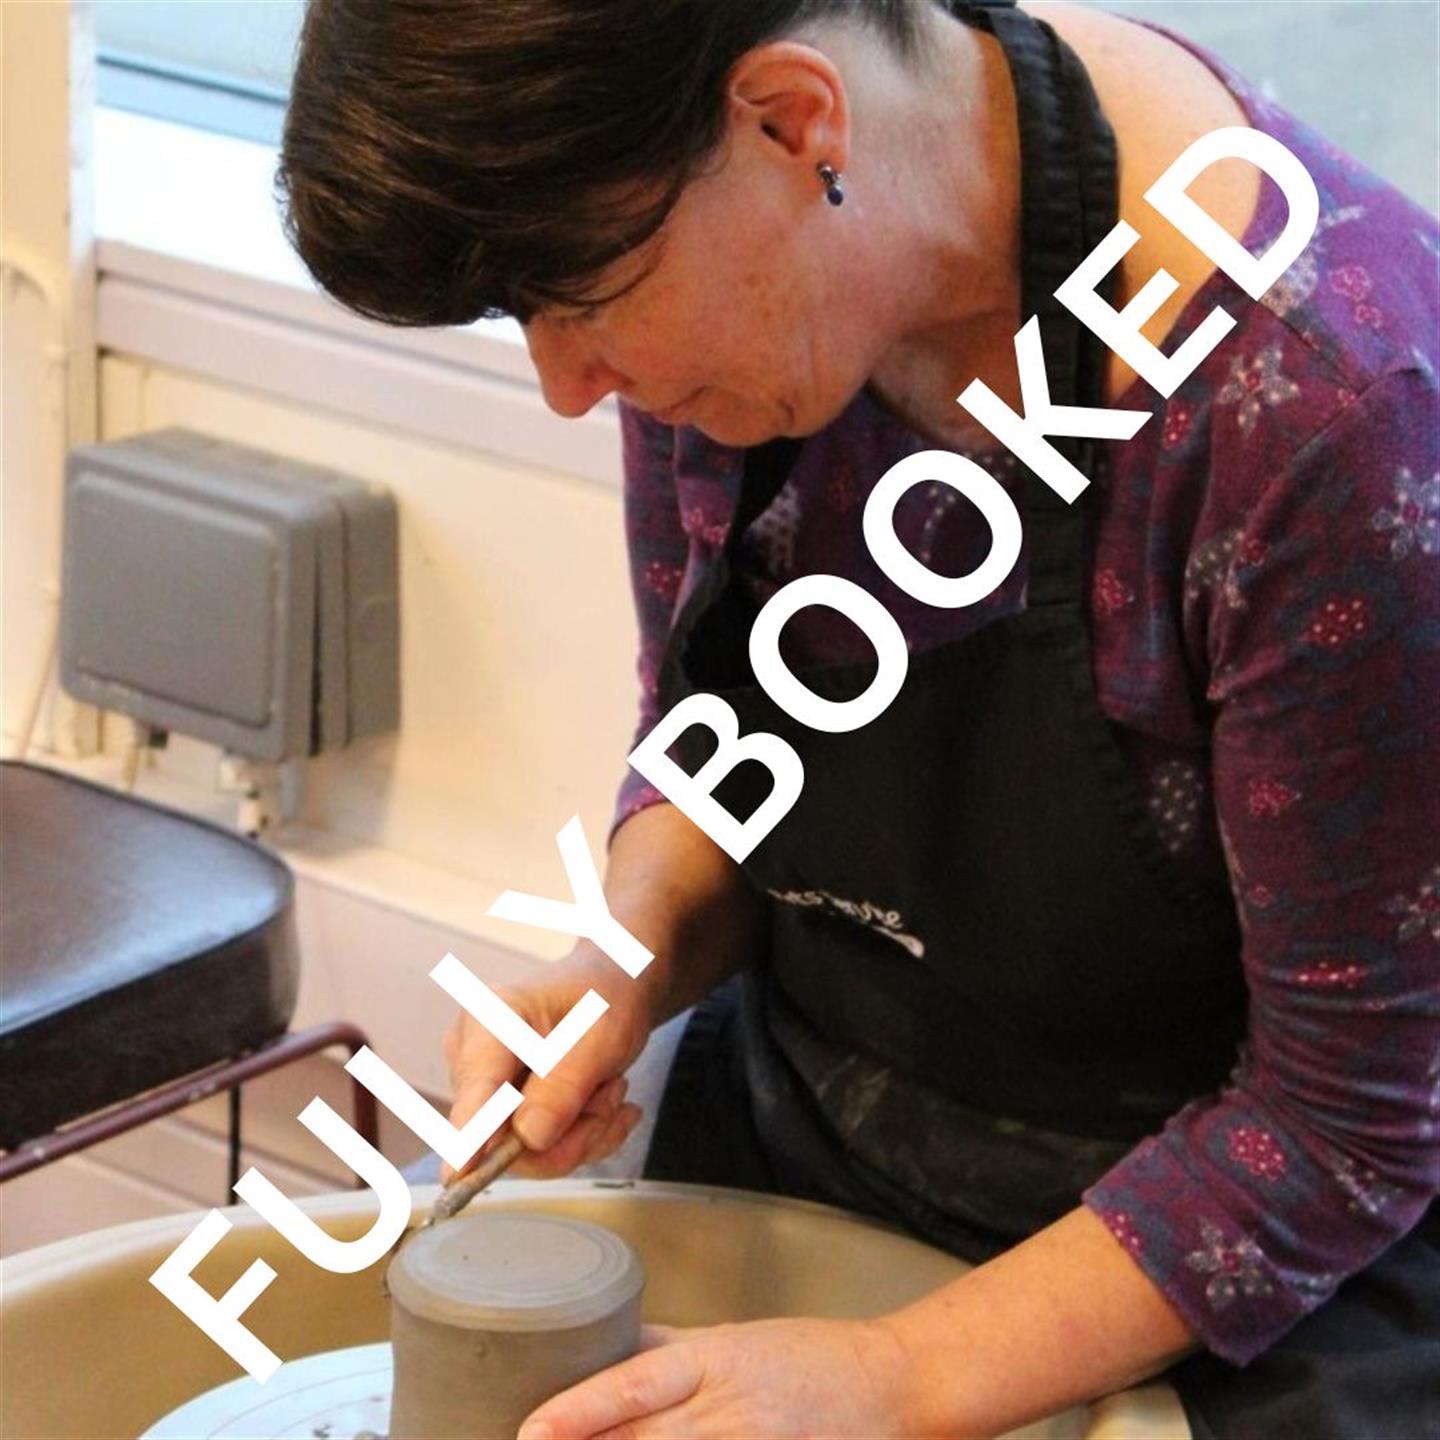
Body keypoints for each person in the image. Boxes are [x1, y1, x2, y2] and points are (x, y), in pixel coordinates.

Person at [279, 1, 1440, 1435]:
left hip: (1249, 1274)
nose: (568, 389)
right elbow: (728, 743)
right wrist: (625, 951)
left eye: (574, 295)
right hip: (817, 1125)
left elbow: (1345, 1132)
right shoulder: (747, 265)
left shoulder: (1321, 413)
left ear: (791, 120)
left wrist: (897, 1377)